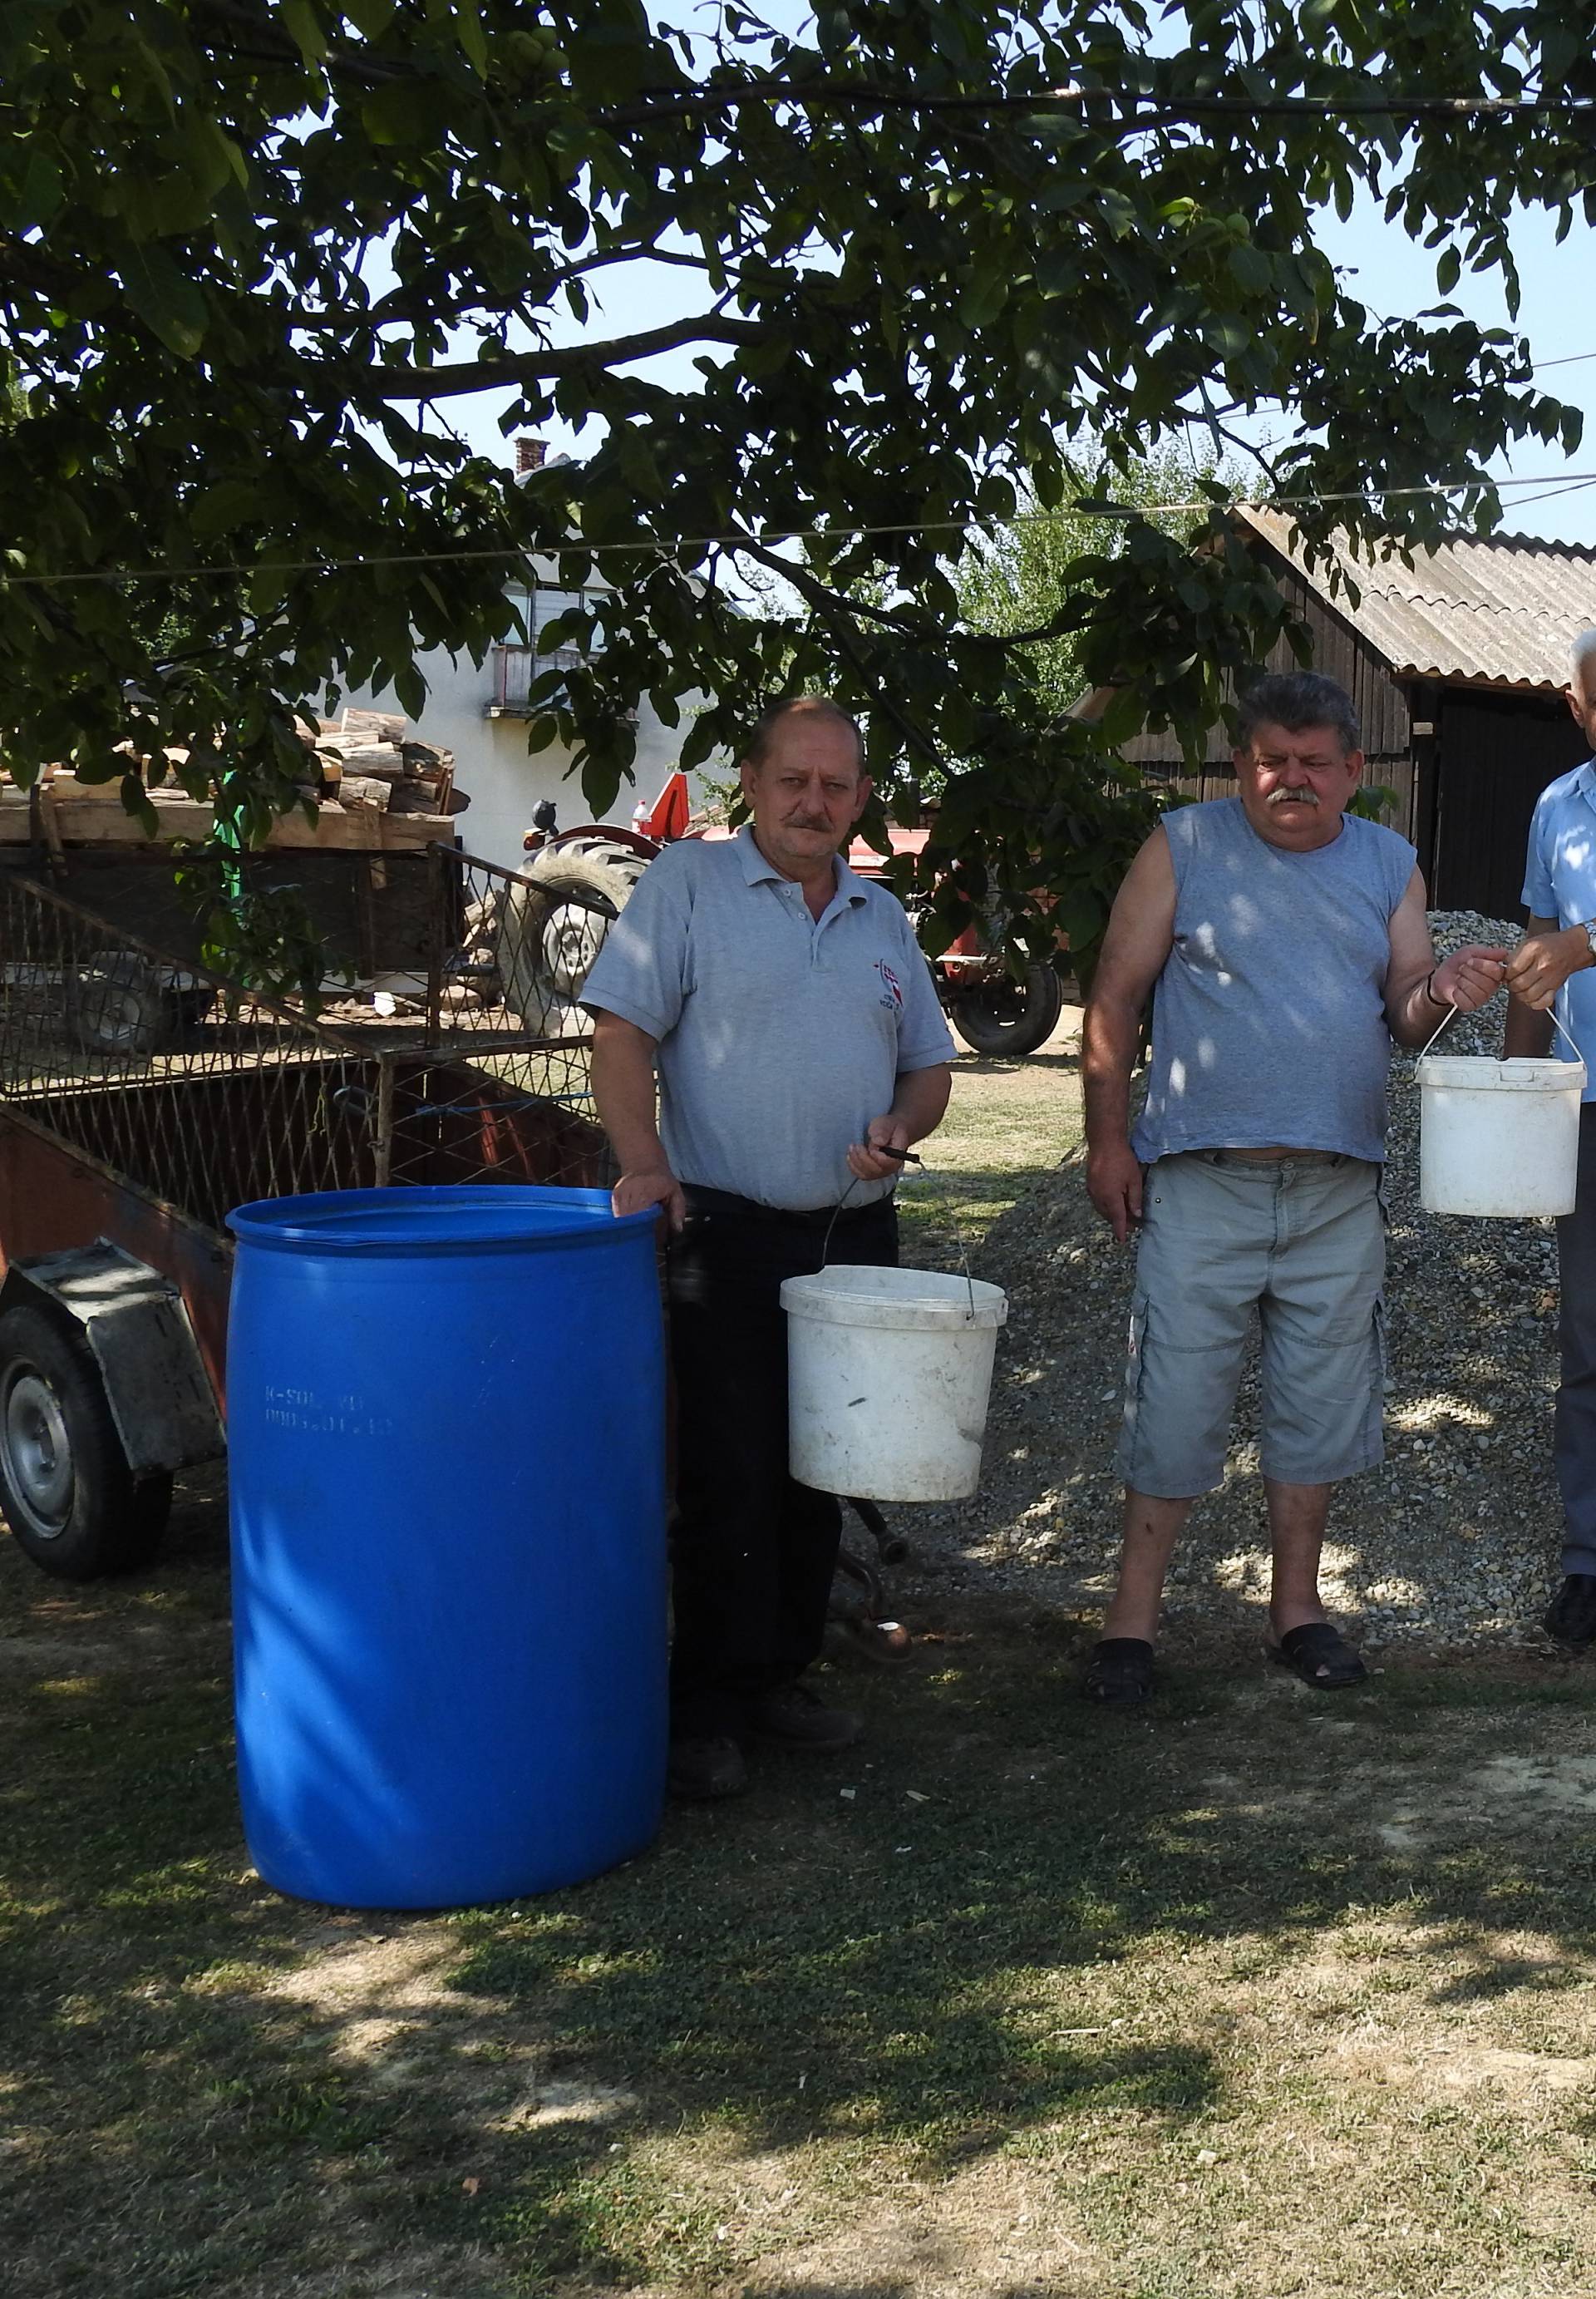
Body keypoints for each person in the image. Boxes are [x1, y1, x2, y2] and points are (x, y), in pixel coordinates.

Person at [1081, 670, 1506, 1704]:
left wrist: (1440, 989)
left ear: (1354, 771)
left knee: (1317, 1411)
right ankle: (1130, 1626)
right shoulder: (1180, 845)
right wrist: (1107, 1143)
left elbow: (1406, 1014)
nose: (1292, 779)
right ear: (1243, 764)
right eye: (1272, 760)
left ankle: (1298, 1611)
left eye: (1315, 763)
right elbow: (1114, 997)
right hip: (1203, 1179)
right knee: (1175, 1401)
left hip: (1335, 1188)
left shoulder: (1389, 862)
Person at [581, 697, 955, 1798]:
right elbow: (620, 1032)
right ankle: (704, 1708)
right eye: (795, 780)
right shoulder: (686, 886)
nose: (814, 803)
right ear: (752, 779)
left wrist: (905, 1124)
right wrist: (644, 1160)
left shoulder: (882, 917)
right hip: (724, 1228)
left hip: (849, 1233)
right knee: (727, 1470)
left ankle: (780, 1678)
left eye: (837, 786)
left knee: (820, 1468)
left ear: (862, 798)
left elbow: (928, 1067)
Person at [1503, 629, 1596, 1647]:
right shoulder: (1556, 808)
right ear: (1578, 706)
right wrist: (1515, 1095)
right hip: (1588, 1109)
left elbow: (1573, 943)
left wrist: (1591, 941)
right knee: (1590, 1341)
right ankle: (1589, 1561)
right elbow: (1539, 954)